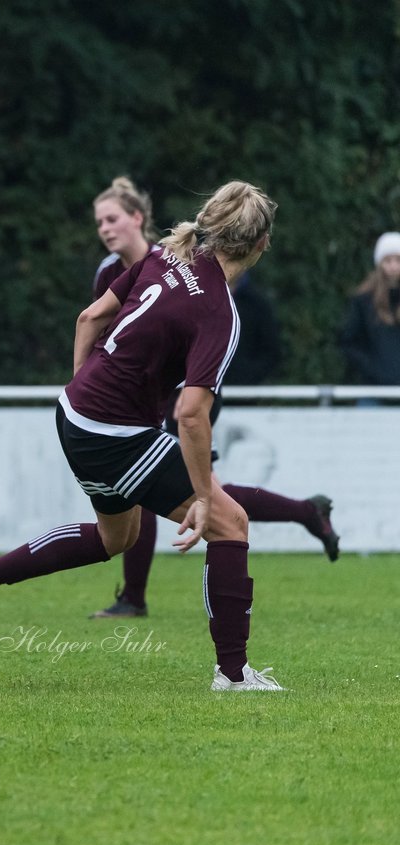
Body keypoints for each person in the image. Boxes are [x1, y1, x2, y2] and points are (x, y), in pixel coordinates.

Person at [0, 181, 286, 691]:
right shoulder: (218, 312)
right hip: (112, 432)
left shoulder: (167, 254)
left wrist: (82, 386)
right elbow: (190, 415)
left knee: (116, 538)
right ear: (261, 244)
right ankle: (233, 676)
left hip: (75, 414)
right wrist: (206, 496)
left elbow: (89, 317)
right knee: (230, 524)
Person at [86, 178, 338, 621]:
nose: (105, 229)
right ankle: (304, 511)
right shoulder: (114, 270)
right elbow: (101, 325)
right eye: (100, 222)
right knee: (200, 494)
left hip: (186, 393)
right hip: (139, 394)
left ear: (137, 219)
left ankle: (135, 599)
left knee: (191, 496)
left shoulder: (173, 256)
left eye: (113, 219)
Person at [340, 231, 400, 387]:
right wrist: (374, 371)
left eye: (398, 260)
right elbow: (350, 342)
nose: (393, 266)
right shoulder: (364, 301)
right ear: (380, 263)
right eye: (388, 260)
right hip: (373, 389)